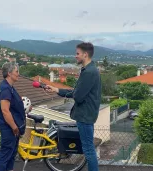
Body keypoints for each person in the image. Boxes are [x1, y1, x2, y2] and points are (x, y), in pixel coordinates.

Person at [45, 42, 101, 171]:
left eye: (77, 53)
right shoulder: (90, 70)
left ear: (85, 54)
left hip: (85, 115)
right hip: (87, 115)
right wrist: (56, 89)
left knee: (88, 150)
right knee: (88, 149)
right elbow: (76, 92)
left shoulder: (89, 72)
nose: (75, 56)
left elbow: (78, 96)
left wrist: (63, 92)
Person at [0, 62, 26, 171]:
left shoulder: (9, 87)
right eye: (17, 71)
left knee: (11, 155)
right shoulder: (6, 89)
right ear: (9, 73)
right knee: (5, 156)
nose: (18, 74)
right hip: (9, 129)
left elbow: (13, 106)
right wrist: (14, 127)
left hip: (12, 129)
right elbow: (5, 111)